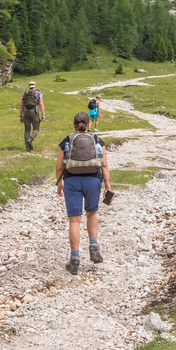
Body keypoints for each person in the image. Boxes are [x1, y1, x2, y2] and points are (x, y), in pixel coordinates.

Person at [56, 111, 113, 274]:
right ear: (88, 125)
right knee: (92, 213)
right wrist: (107, 186)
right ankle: (94, 247)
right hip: (93, 180)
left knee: (74, 220)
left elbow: (60, 167)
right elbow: (104, 165)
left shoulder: (67, 140)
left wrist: (59, 184)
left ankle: (74, 259)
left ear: (74, 125)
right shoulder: (97, 140)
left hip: (72, 181)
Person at [20, 80, 45, 152]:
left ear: (29, 86)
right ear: (35, 86)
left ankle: (27, 148)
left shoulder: (25, 93)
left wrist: (20, 116)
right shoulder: (38, 93)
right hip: (34, 112)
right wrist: (43, 114)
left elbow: (21, 105)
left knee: (27, 130)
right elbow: (40, 104)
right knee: (36, 129)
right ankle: (30, 139)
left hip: (25, 112)